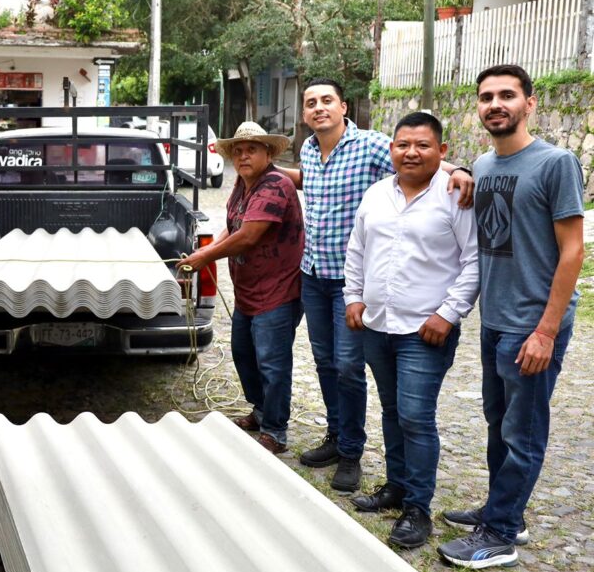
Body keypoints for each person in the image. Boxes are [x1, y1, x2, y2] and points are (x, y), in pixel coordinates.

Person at [279, 78, 474, 493]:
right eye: (310, 103)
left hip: (356, 286)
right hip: (316, 274)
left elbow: (418, 157)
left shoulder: (371, 145)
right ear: (304, 113)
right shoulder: (309, 152)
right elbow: (309, 185)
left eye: (326, 101)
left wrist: (458, 169)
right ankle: (336, 435)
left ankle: (351, 453)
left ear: (343, 106)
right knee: (326, 363)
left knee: (350, 368)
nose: (318, 108)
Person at [437, 65, 585, 569]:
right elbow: (473, 180)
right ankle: (508, 511)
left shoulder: (556, 163)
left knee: (523, 432)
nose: (495, 104)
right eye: (486, 97)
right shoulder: (483, 163)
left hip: (532, 324)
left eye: (507, 95)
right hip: (495, 319)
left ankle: (498, 535)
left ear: (530, 103)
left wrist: (546, 331)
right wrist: (460, 171)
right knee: (498, 423)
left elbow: (573, 251)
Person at [343, 112, 479, 548]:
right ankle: (397, 486)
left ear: (442, 151)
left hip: (426, 330)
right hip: (377, 325)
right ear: (392, 149)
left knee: (416, 417)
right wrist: (354, 297)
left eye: (422, 145)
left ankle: (418, 508)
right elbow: (357, 249)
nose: (411, 152)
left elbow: (474, 261)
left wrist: (449, 313)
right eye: (403, 144)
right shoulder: (377, 194)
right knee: (391, 409)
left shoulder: (455, 196)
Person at [182, 122, 304, 455]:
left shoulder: (275, 185)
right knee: (244, 354)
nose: (244, 155)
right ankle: (261, 411)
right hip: (249, 290)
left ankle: (275, 431)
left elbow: (249, 235)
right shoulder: (242, 183)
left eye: (252, 149)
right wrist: (207, 253)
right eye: (238, 150)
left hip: (278, 290)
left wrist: (205, 255)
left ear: (268, 153)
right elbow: (234, 228)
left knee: (272, 362)